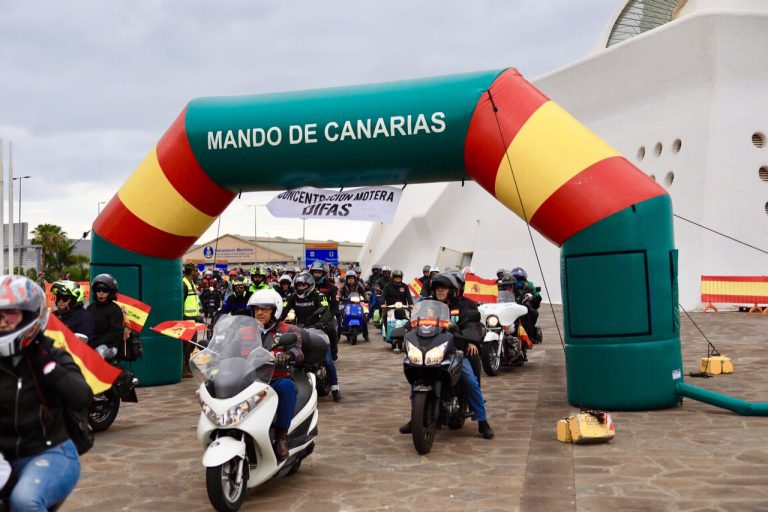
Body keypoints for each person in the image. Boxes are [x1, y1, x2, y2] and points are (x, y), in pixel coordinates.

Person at [0, 275, 93, 511]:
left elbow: (82, 396)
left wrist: (50, 368)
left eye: (10, 315)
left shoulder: (51, 353)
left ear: (31, 315)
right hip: (3, 458)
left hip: (51, 452)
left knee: (24, 501)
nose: (2, 322)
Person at [400, 273, 494, 439]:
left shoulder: (464, 305)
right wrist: (405, 329)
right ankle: (416, 417)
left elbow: (472, 324)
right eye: (437, 288)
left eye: (443, 288)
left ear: (451, 290)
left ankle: (482, 420)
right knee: (417, 377)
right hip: (431, 349)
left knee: (470, 382)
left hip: (455, 351)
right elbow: (414, 321)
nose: (440, 291)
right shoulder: (427, 306)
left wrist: (472, 340)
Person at [247, 289, 304, 461]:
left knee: (287, 387)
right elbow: (229, 348)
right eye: (256, 308)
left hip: (276, 378)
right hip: (249, 380)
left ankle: (281, 435)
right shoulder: (245, 331)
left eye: (265, 308)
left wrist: (288, 355)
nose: (259, 312)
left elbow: (298, 351)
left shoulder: (289, 330)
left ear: (275, 310)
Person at [280, 273, 341, 401]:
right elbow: (283, 312)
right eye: (299, 285)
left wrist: (321, 322)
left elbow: (326, 310)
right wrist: (276, 322)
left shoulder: (319, 295)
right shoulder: (292, 297)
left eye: (304, 285)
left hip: (317, 329)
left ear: (310, 285)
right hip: (299, 330)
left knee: (328, 360)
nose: (301, 287)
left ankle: (335, 387)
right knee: (288, 356)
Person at [86, 274, 124, 360]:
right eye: (98, 290)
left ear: (111, 292)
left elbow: (113, 334)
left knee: (99, 351)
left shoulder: (115, 310)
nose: (101, 293)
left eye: (105, 290)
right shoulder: (90, 308)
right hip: (92, 343)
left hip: (110, 345)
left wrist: (95, 344)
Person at [509, 267, 542, 344]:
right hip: (511, 307)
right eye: (517, 279)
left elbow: (535, 299)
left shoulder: (529, 287)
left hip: (524, 307)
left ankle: (529, 334)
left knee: (534, 313)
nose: (519, 281)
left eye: (521, 279)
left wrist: (532, 300)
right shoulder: (509, 287)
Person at [181, 264, 202, 377]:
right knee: (187, 345)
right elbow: (181, 303)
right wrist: (188, 317)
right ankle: (184, 367)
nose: (197, 273)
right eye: (195, 271)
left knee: (192, 344)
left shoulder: (191, 283)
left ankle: (187, 365)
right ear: (191, 271)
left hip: (194, 319)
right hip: (187, 319)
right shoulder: (184, 284)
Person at [339, 270, 369, 342]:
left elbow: (364, 292)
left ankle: (366, 335)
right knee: (339, 317)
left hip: (357, 303)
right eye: (349, 278)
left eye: (352, 278)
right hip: (346, 303)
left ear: (355, 279)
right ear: (347, 279)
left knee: (363, 317)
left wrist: (366, 299)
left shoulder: (359, 284)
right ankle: (338, 334)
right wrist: (340, 297)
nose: (351, 280)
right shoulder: (343, 285)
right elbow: (339, 293)